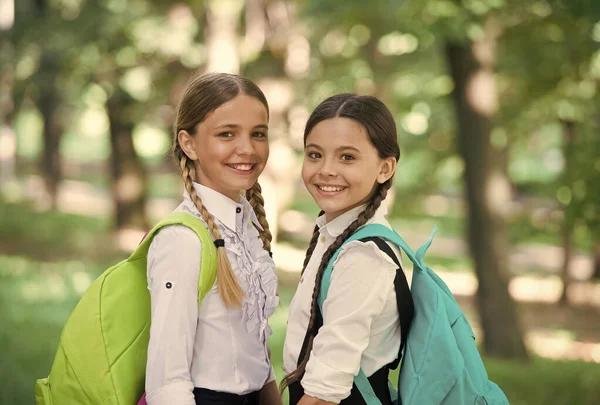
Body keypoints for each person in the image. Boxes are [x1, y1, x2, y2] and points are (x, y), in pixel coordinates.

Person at [145, 72, 281, 405]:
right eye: (226, 134)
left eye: (258, 134)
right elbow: (167, 380)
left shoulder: (247, 227)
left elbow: (254, 349)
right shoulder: (182, 240)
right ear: (189, 143)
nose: (247, 148)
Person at [281, 93, 403, 405]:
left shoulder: (363, 255)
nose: (326, 170)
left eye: (347, 157)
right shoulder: (338, 237)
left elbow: (324, 391)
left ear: (385, 168)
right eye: (315, 154)